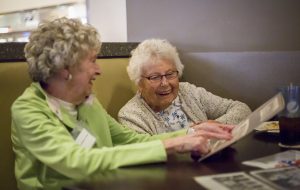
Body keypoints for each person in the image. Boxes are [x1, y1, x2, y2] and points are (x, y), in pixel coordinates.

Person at [11, 18, 234, 190]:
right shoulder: (29, 110)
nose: (99, 70)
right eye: (92, 61)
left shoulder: (86, 101)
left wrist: (190, 133)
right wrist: (171, 146)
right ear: (65, 69)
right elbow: (76, 161)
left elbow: (131, 140)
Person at [118, 39, 252, 135]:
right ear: (139, 82)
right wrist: (195, 133)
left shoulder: (188, 91)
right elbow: (146, 154)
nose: (165, 83)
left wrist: (215, 126)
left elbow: (242, 109)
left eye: (170, 74)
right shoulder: (131, 116)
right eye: (155, 77)